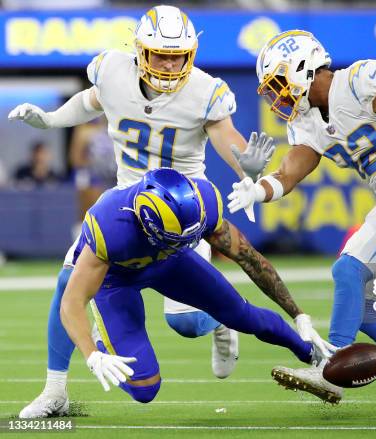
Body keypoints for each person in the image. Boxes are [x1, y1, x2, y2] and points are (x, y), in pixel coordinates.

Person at [8, 5, 275, 418]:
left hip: (180, 210)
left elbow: (229, 138)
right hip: (124, 203)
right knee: (68, 285)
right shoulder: (113, 70)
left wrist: (248, 168)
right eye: (161, 54)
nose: (170, 64)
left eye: (178, 55)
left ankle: (220, 320)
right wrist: (51, 119)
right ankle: (55, 390)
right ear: (139, 51)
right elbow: (90, 101)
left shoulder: (205, 90)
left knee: (185, 324)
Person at [227, 30, 376, 422]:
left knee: (347, 267)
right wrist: (258, 190)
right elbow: (290, 172)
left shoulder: (359, 79)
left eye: (279, 84)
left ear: (303, 69)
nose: (278, 97)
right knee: (367, 309)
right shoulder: (306, 120)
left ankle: (331, 367)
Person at [60, 167, 331, 402]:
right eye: (175, 237)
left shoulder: (204, 201)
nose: (186, 239)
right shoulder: (110, 225)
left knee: (242, 314)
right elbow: (71, 302)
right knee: (145, 388)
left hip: (169, 261)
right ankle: (104, 337)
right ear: (149, 225)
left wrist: (299, 315)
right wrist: (92, 355)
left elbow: (250, 259)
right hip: (116, 279)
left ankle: (313, 355)